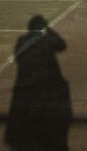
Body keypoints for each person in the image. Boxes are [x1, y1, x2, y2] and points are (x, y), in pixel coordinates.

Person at [5, 15, 72, 151]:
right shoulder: (46, 42)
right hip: (44, 92)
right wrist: (48, 28)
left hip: (25, 92)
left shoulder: (21, 41)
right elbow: (61, 44)